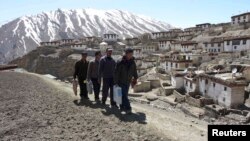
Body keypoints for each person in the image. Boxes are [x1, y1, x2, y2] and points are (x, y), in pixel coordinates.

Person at [114, 48, 138, 114]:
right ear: (126, 54)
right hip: (120, 81)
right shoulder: (120, 62)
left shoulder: (132, 62)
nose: (130, 56)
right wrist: (115, 82)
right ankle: (128, 108)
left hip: (128, 81)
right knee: (122, 95)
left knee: (124, 95)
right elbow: (116, 73)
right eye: (129, 54)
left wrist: (135, 78)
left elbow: (134, 71)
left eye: (131, 54)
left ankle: (122, 107)